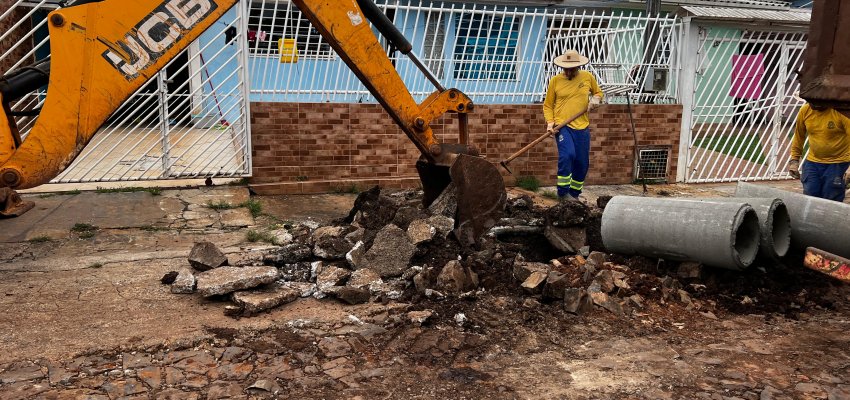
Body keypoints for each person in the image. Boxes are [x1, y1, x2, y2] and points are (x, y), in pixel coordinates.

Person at [543, 49, 603, 202]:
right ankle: (562, 193)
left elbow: (598, 93)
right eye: (566, 68)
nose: (568, 71)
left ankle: (574, 194)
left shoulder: (587, 77)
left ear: (578, 66)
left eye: (572, 68)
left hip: (582, 126)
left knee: (582, 163)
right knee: (568, 155)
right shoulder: (555, 81)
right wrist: (550, 123)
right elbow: (548, 105)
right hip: (562, 125)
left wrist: (595, 100)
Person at [789, 102, 850, 202]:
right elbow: (798, 136)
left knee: (831, 198)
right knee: (810, 196)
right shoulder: (805, 110)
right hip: (812, 163)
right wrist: (794, 161)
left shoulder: (841, 112)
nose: (814, 104)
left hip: (838, 163)